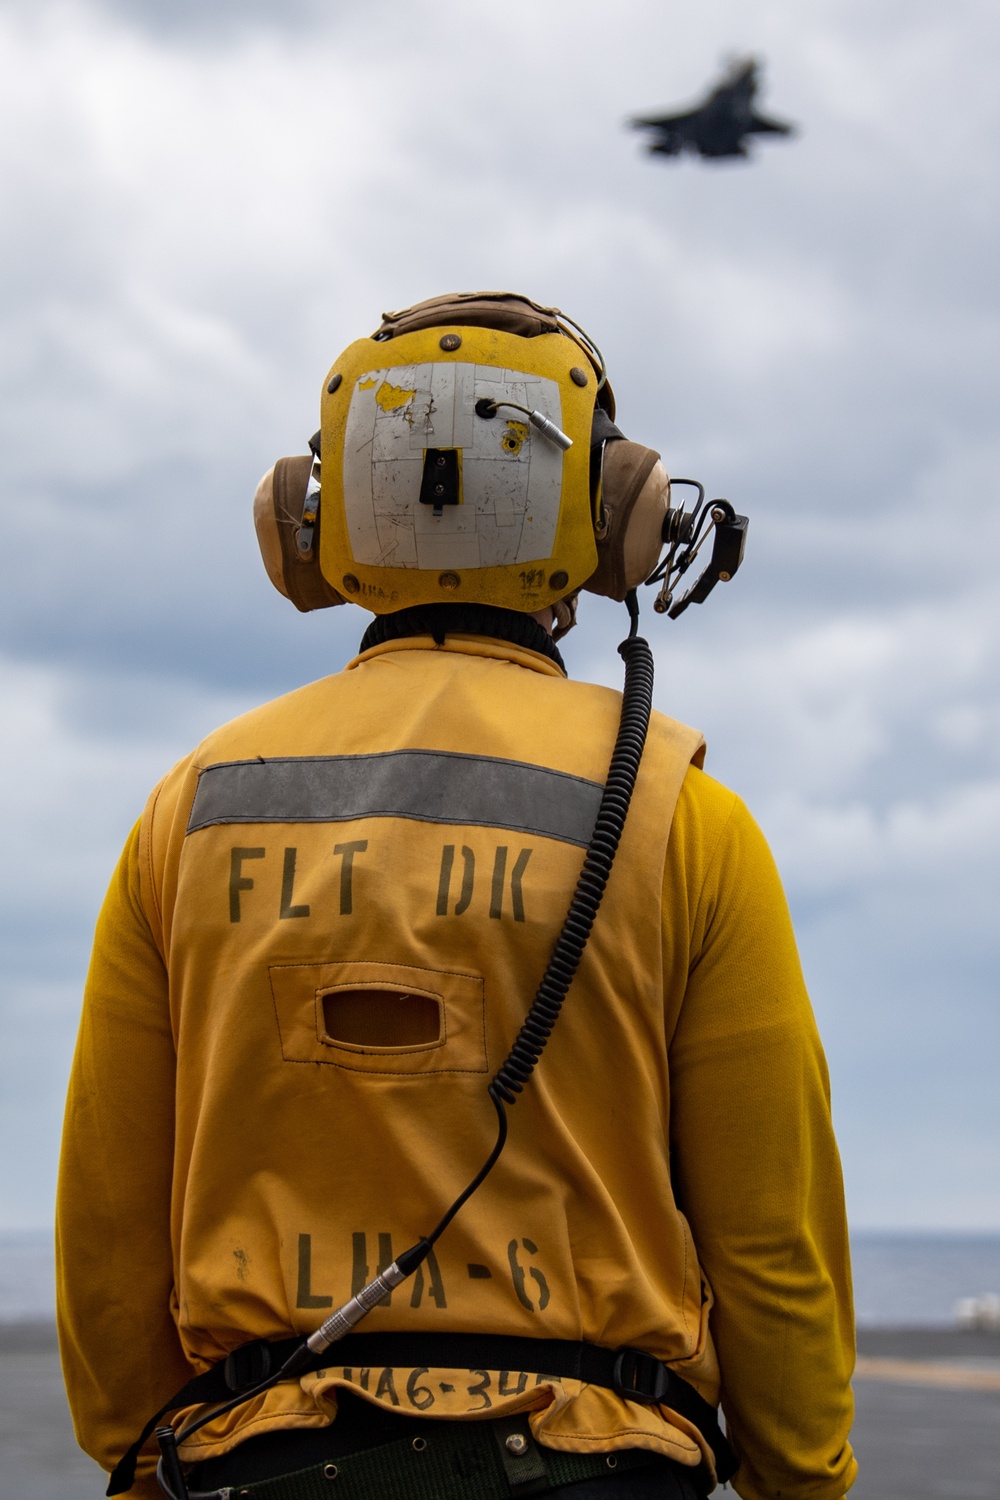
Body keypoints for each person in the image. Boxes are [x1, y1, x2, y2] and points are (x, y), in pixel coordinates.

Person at [56, 292, 857, 1500]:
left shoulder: (194, 806)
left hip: (256, 1463)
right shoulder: (682, 815)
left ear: (313, 522)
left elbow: (109, 1229)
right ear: (613, 517)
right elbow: (769, 1230)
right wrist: (805, 1479)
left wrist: (139, 1455)